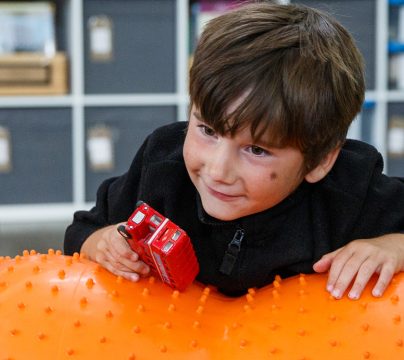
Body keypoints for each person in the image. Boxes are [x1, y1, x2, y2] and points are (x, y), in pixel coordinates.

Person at [64, 1, 404, 299]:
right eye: (207, 130)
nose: (217, 170)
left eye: (256, 150)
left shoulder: (351, 190)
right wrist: (102, 243)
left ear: (321, 160)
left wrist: (393, 247)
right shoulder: (161, 164)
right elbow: (82, 231)